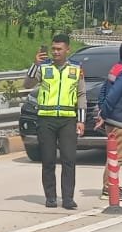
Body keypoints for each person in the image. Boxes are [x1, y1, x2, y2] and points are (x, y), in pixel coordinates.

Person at [22, 33, 84, 209]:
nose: (56, 52)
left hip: (68, 120)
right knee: (48, 160)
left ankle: (68, 198)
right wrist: (35, 65)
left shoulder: (76, 69)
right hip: (46, 119)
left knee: (69, 159)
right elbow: (27, 84)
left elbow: (81, 95)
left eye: (59, 49)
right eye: (53, 49)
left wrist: (81, 120)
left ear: (67, 49)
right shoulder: (44, 68)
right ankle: (50, 197)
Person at [96, 41, 122, 201]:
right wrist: (104, 113)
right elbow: (113, 95)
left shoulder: (115, 69)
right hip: (121, 121)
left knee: (113, 156)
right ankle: (109, 187)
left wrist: (103, 111)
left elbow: (103, 91)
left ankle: (111, 185)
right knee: (117, 157)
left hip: (113, 119)